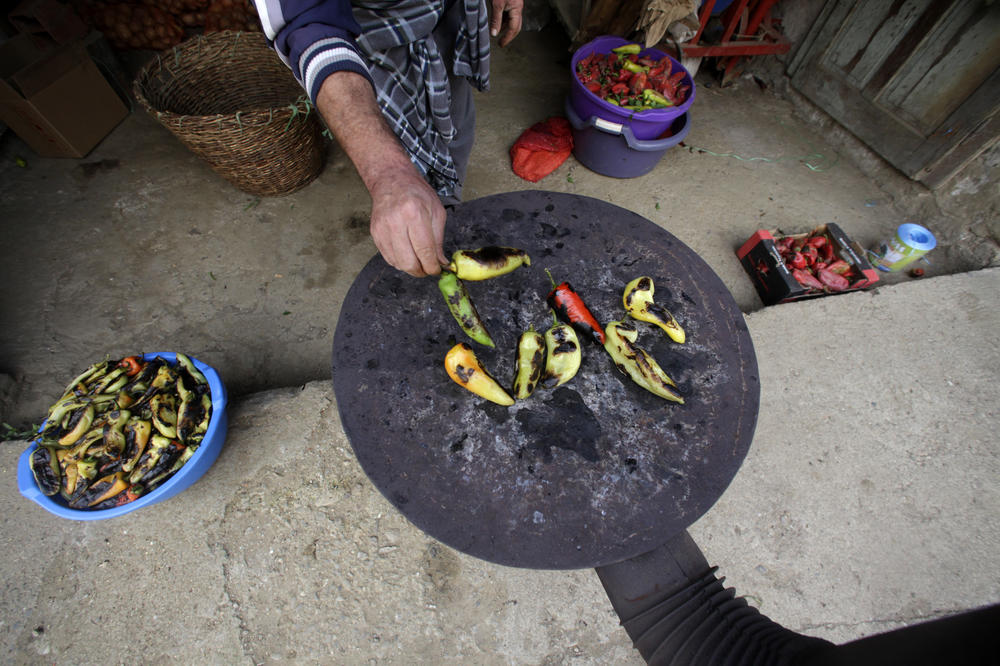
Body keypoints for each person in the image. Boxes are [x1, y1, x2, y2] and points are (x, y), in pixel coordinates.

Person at [253, 0, 524, 277]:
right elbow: (309, 27)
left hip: (443, 15)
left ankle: (445, 219)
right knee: (407, 194)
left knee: (455, 138)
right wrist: (390, 174)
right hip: (369, 46)